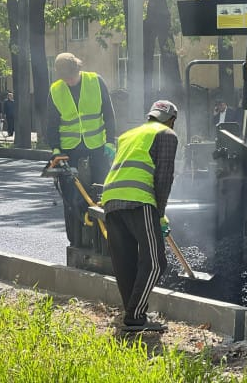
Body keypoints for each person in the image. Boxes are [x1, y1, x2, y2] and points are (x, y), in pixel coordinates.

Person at [101, 100, 179, 332]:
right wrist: (160, 214)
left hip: (111, 197)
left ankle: (134, 315)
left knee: (125, 261)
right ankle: (134, 316)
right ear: (172, 120)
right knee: (155, 261)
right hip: (138, 199)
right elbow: (164, 177)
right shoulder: (166, 134)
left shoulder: (128, 135)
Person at [46, 52, 117, 246]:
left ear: (78, 68)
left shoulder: (95, 81)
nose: (69, 81)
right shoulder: (56, 89)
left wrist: (110, 141)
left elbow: (109, 114)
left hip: (97, 147)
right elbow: (52, 124)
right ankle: (76, 240)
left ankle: (104, 239)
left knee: (102, 192)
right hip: (70, 151)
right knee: (72, 197)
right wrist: (55, 149)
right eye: (65, 78)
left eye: (71, 77)